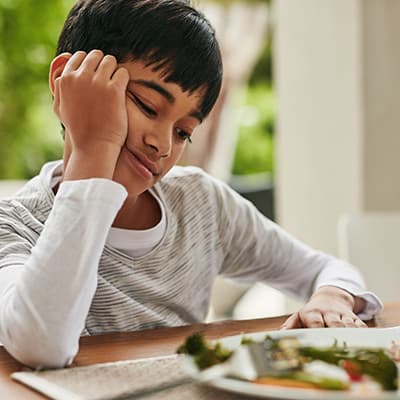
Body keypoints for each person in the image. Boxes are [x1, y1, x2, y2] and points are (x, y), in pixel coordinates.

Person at [0, 0, 382, 369]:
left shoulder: (200, 204)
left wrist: (333, 296)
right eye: (149, 106)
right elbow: (42, 344)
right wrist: (95, 149)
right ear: (67, 81)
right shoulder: (14, 226)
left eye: (184, 132)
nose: (163, 145)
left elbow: (326, 269)